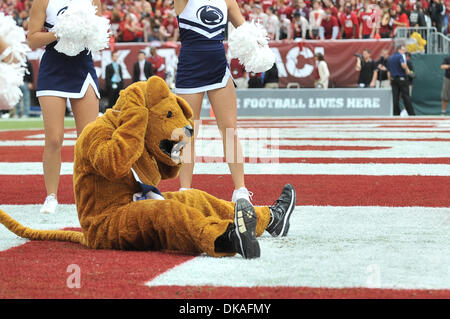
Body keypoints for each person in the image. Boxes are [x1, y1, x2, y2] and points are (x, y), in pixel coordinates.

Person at [174, 0, 254, 203]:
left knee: (229, 129)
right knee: (188, 131)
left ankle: (241, 190)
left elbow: (245, 31)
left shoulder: (227, 1)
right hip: (190, 68)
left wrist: (259, 47)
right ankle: (185, 191)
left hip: (219, 67)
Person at [28, 0, 102, 214]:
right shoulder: (43, 1)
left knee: (89, 139)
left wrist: (86, 30)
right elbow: (32, 40)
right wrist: (60, 33)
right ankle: (51, 196)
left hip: (83, 67)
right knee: (53, 138)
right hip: (53, 70)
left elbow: (98, 33)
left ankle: (91, 195)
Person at [387, 44, 416, 116]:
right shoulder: (401, 56)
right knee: (406, 96)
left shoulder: (390, 58)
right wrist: (407, 69)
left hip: (393, 79)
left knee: (395, 97)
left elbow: (388, 71)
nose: (404, 52)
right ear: (399, 50)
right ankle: (411, 113)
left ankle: (396, 113)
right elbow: (403, 64)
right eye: (403, 50)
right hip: (402, 78)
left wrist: (390, 80)